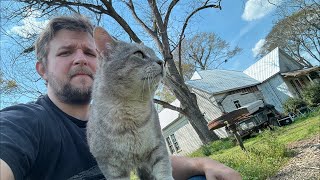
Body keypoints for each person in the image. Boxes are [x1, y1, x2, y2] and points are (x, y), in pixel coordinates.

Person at [0, 15, 242, 180]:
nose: (81, 59)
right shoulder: (23, 122)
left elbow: (148, 158)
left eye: (89, 52)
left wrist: (203, 164)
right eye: (65, 52)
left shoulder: (123, 112)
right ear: (43, 69)